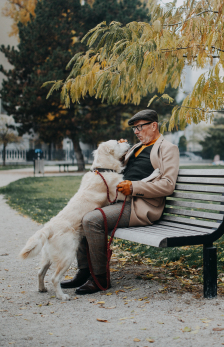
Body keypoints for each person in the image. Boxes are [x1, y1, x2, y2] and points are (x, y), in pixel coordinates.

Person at [61, 109, 179, 295]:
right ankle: (84, 271)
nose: (136, 132)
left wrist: (134, 188)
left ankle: (100, 278)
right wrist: (118, 147)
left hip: (140, 206)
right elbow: (114, 164)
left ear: (154, 125)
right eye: (134, 129)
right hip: (119, 200)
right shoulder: (135, 148)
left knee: (91, 220)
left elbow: (168, 185)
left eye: (140, 127)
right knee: (81, 217)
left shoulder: (167, 148)